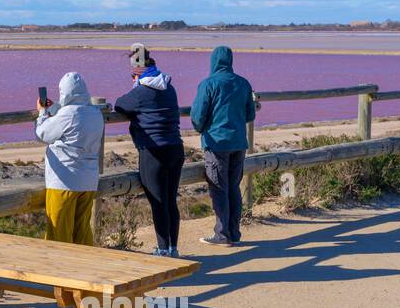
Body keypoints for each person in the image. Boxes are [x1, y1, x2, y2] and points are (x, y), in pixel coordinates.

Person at [113, 48, 184, 257]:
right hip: (175, 148)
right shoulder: (169, 87)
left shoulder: (141, 91)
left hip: (153, 151)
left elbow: (120, 105)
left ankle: (162, 249)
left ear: (137, 74)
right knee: (171, 200)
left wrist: (135, 86)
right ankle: (173, 247)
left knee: (158, 201)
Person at [189, 45, 257, 246]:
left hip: (217, 142)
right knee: (233, 187)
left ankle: (222, 234)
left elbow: (198, 116)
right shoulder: (243, 83)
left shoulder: (208, 84)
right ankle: (234, 232)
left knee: (219, 188)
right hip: (239, 142)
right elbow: (250, 114)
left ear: (213, 61)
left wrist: (201, 128)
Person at [35, 71, 105, 246]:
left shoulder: (68, 115)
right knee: (82, 234)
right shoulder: (95, 113)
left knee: (59, 234)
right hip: (88, 182)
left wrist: (43, 112)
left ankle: (58, 271)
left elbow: (43, 133)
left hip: (63, 181)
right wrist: (56, 108)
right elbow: (74, 118)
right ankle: (86, 269)